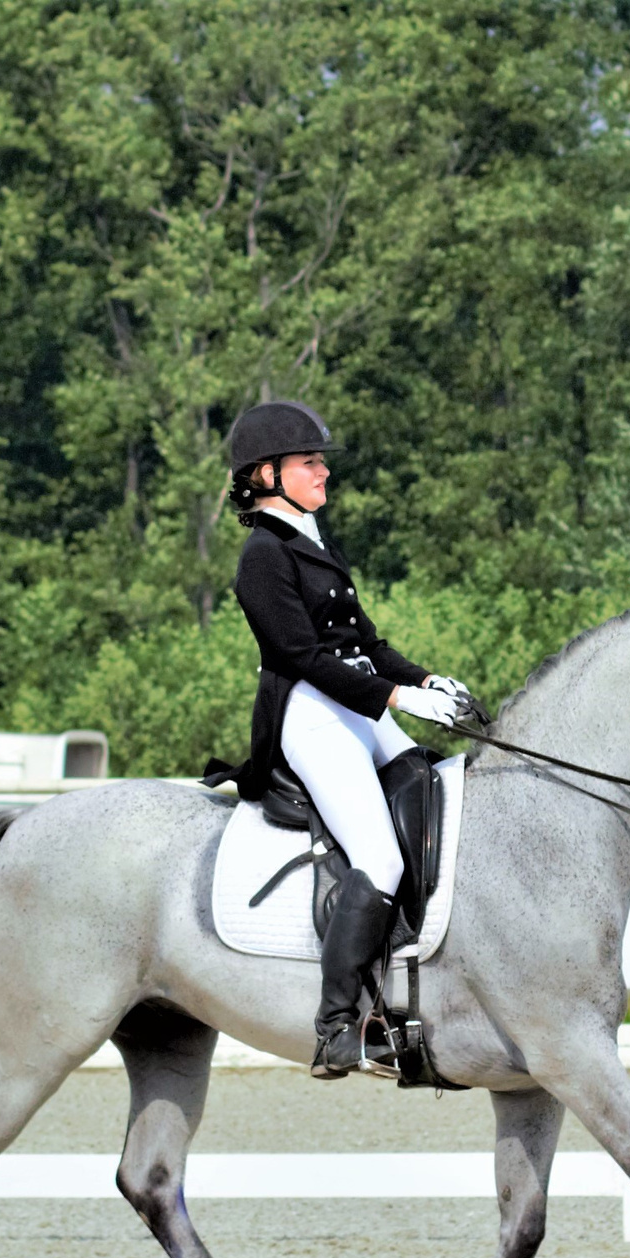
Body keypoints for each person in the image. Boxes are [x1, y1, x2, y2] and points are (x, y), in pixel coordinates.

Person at [223, 400, 475, 1078]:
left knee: (436, 805)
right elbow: (305, 656)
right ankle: (337, 1025)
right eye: (310, 462)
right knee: (381, 858)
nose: (323, 470)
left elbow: (364, 644)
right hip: (311, 715)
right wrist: (397, 696)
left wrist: (428, 680)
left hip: (359, 707)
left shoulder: (311, 542)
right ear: (268, 473)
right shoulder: (263, 557)